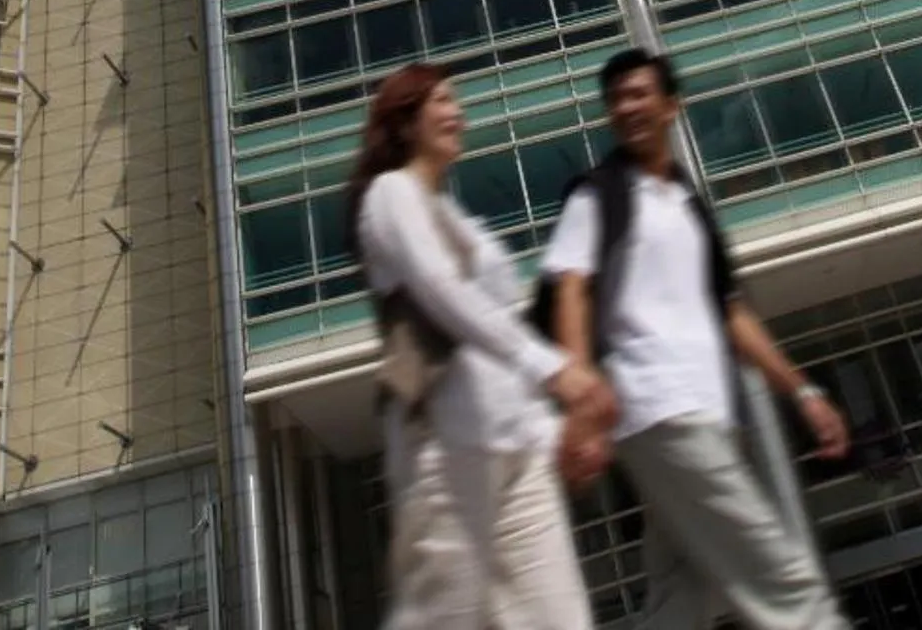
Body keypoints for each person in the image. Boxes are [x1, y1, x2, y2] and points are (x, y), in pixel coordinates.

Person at [539, 49, 851, 630]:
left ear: (671, 106)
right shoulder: (598, 194)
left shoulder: (686, 205)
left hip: (703, 416)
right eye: (616, 99)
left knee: (684, 594)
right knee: (779, 575)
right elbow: (571, 289)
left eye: (639, 93)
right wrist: (580, 393)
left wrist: (804, 393)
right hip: (660, 406)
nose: (627, 106)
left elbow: (730, 313)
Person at [350, 61, 617, 629]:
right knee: (442, 619)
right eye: (443, 101)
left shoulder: (457, 217)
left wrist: (555, 431)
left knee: (561, 620)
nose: (458, 113)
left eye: (457, 100)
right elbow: (439, 288)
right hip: (445, 449)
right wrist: (553, 368)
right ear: (405, 121)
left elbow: (497, 331)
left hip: (517, 449)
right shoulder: (390, 196)